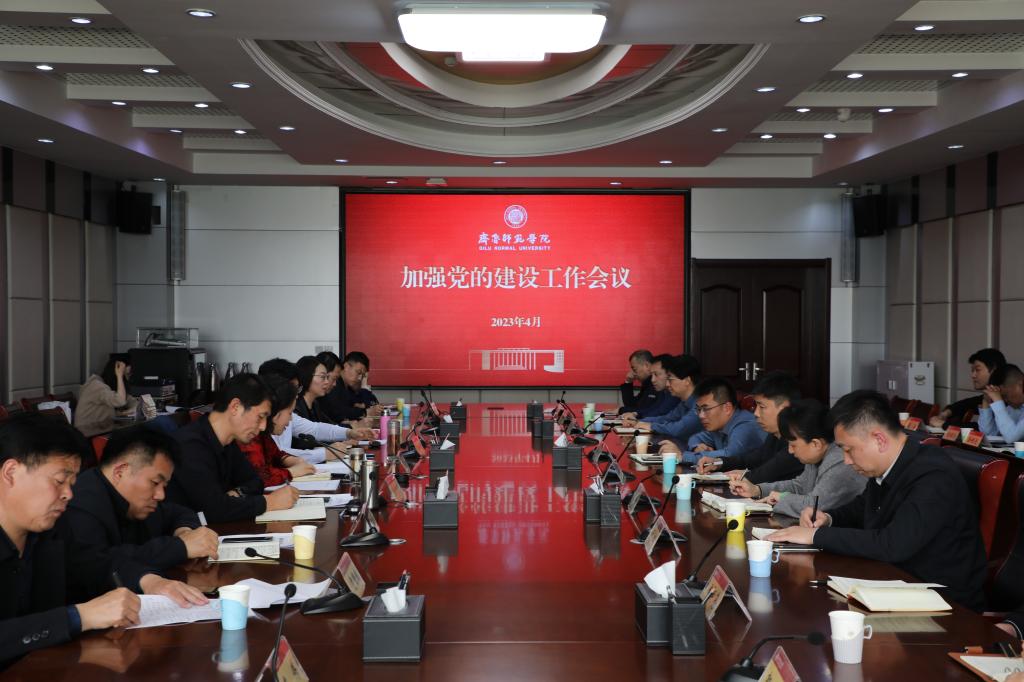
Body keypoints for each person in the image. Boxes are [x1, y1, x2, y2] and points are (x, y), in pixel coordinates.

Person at [0, 414, 207, 668]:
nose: (68, 494)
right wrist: (78, 616)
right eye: (60, 481)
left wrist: (151, 581)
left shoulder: (49, 531)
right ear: (11, 472)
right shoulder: (69, 514)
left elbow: (95, 562)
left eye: (72, 483)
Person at [769, 390, 987, 611]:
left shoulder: (933, 474)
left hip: (944, 602)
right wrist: (827, 518)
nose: (846, 460)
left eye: (849, 450)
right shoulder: (889, 465)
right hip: (895, 581)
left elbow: (893, 544)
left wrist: (816, 535)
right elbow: (861, 508)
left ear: (879, 440)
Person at [65, 427, 219, 572]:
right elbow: (101, 564)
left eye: (164, 486)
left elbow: (178, 513)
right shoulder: (80, 505)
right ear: (120, 472)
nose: (160, 495)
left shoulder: (138, 500)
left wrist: (184, 532)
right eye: (155, 483)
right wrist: (180, 547)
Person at [166, 374, 300, 523]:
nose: (263, 427)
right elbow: (213, 510)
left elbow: (256, 482)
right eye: (260, 416)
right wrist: (269, 503)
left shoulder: (228, 442)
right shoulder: (190, 445)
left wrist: (235, 494)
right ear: (236, 407)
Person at [729, 399, 865, 518]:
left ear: (816, 444)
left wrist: (781, 498)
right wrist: (757, 490)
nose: (790, 450)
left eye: (793, 445)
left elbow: (815, 506)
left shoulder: (840, 461)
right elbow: (800, 486)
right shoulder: (816, 456)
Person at [257, 358, 373, 464]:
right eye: (294, 388)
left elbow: (315, 428)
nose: (296, 394)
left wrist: (348, 433)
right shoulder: (263, 421)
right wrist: (324, 453)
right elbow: (278, 454)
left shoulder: (298, 409)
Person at [695, 371, 804, 484]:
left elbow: (766, 474)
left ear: (784, 408)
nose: (756, 413)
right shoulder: (775, 435)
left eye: (762, 407)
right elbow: (750, 459)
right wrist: (717, 463)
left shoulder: (798, 441)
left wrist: (744, 475)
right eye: (756, 406)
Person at [239, 375, 317, 487]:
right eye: (290, 413)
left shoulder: (264, 434)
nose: (291, 419)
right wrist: (291, 472)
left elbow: (276, 454)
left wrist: (291, 460)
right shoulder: (250, 434)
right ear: (276, 412)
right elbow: (260, 478)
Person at [670, 377, 766, 466]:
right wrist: (697, 447)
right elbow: (695, 438)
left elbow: (729, 455)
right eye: (698, 409)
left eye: (706, 409)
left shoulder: (746, 425)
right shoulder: (718, 426)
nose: (701, 415)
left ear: (727, 408)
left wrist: (683, 456)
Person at [623, 355, 702, 442]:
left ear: (687, 381)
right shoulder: (684, 403)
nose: (667, 384)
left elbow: (678, 429)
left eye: (670, 379)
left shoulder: (700, 403)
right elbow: (666, 418)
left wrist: (651, 426)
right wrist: (639, 421)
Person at [930, 348, 1006, 428]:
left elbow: (984, 429)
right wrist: (944, 414)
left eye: (977, 370)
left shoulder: (1007, 398)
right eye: (972, 370)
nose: (973, 375)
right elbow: (965, 404)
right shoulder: (988, 395)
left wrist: (944, 424)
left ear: (994, 370)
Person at [74, 355, 138, 430]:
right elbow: (120, 401)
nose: (128, 378)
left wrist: (134, 408)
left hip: (102, 428)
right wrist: (119, 376)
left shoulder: (108, 386)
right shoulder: (96, 386)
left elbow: (129, 400)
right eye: (126, 374)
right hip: (89, 432)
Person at [319, 351, 382, 423]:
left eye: (362, 375)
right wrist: (366, 411)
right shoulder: (333, 385)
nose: (359, 378)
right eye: (358, 372)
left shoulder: (349, 387)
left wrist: (365, 389)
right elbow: (338, 411)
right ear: (346, 366)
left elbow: (371, 402)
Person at [619, 354, 679, 421]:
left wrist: (638, 419)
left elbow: (661, 413)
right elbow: (654, 410)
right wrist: (636, 414)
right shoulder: (663, 390)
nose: (652, 380)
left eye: (656, 374)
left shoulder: (674, 393)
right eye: (652, 375)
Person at [979, 364, 1024, 443]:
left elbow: (1011, 437)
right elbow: (989, 435)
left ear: (1020, 385)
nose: (1004, 401)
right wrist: (986, 402)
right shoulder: (1014, 408)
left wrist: (997, 401)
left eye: (1004, 396)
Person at [293, 356, 336, 424]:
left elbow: (329, 425)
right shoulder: (295, 407)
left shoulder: (315, 404)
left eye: (327, 377)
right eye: (322, 377)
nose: (327, 382)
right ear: (307, 376)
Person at [617, 350, 657, 414]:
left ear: (647, 366)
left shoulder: (656, 383)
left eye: (634, 369)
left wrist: (621, 410)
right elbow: (632, 405)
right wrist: (628, 381)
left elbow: (645, 410)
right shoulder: (646, 384)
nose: (632, 373)